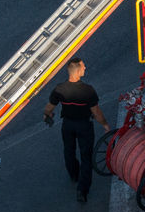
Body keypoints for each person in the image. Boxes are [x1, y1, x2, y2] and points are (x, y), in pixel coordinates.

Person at [43, 57, 109, 203]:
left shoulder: (59, 89)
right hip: (84, 126)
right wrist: (105, 125)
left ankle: (74, 175)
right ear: (78, 71)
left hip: (67, 125)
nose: (85, 68)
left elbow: (49, 107)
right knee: (86, 156)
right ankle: (82, 190)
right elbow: (96, 112)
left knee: (69, 151)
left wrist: (47, 114)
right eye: (83, 66)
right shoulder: (88, 90)